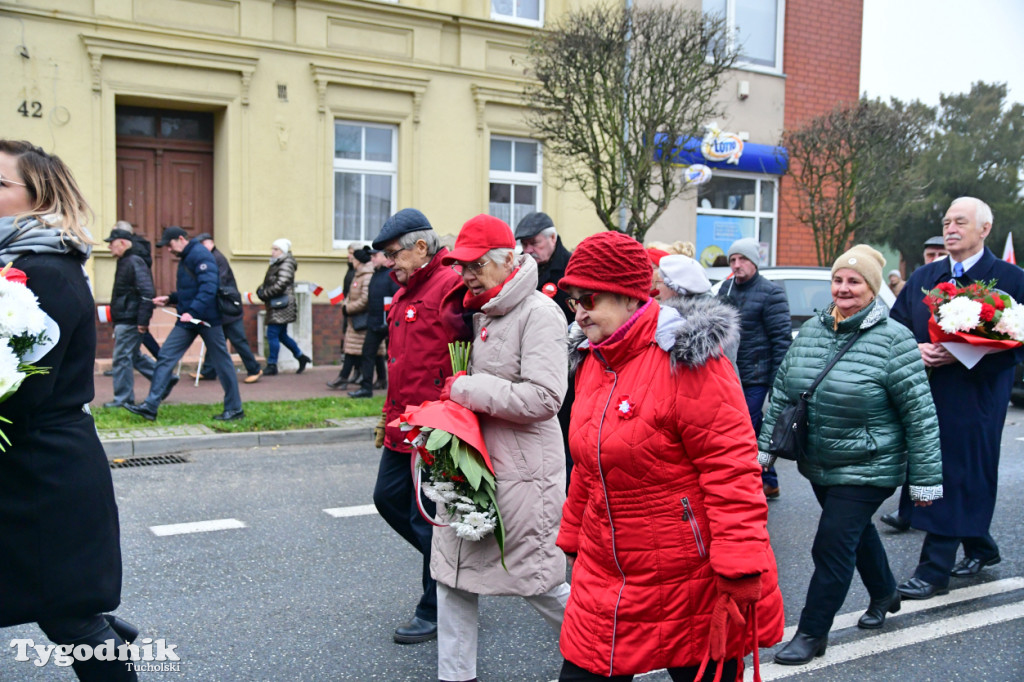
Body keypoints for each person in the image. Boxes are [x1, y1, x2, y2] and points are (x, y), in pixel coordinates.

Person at [557, 231, 783, 682]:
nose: (579, 312)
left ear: (629, 296)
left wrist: (740, 563)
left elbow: (731, 466)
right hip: (607, 568)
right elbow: (589, 463)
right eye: (573, 300)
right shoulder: (592, 359)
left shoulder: (687, 358)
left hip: (689, 575)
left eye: (590, 298)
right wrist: (574, 535)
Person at [759, 245, 943, 665]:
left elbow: (921, 415)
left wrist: (926, 479)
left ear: (872, 289)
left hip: (870, 465)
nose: (844, 288)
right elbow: (784, 395)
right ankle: (884, 592)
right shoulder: (813, 331)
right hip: (821, 461)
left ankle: (811, 633)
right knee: (854, 535)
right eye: (839, 280)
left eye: (854, 281)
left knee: (831, 544)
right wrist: (763, 452)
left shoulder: (895, 340)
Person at [0, 139, 138, 680]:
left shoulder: (43, 272)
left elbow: (25, 386)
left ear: (36, 197)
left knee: (71, 617)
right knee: (67, 612)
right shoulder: (19, 263)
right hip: (27, 463)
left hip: (43, 472)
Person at [433, 214, 571, 682]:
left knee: (537, 581)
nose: (466, 275)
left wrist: (466, 389)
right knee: (451, 577)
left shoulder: (539, 313)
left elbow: (546, 398)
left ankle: (607, 650)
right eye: (462, 266)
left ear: (509, 260)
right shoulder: (482, 308)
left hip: (522, 473)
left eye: (475, 265)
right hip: (474, 466)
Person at [891, 197, 1024, 600]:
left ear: (984, 229)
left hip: (978, 394)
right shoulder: (925, 277)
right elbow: (896, 327)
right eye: (946, 221)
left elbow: (1017, 342)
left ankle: (933, 570)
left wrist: (964, 352)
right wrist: (916, 349)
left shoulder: (1011, 278)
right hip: (926, 391)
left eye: (960, 222)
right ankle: (981, 546)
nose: (950, 228)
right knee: (935, 468)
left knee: (956, 471)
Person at [371, 208, 462, 644]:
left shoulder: (451, 286)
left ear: (420, 247)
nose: (390, 263)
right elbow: (400, 362)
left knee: (426, 519)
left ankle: (437, 605)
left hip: (434, 427)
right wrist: (388, 419)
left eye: (394, 254)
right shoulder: (407, 290)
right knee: (387, 499)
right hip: (401, 425)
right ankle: (449, 569)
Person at [124, 226, 243, 421]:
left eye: (169, 245)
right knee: (165, 357)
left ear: (181, 239)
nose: (168, 250)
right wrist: (171, 298)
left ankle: (234, 409)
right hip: (188, 319)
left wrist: (193, 311)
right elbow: (191, 290)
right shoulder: (187, 257)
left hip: (207, 320)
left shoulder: (200, 255)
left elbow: (208, 287)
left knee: (222, 363)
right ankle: (150, 406)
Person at [718, 238, 792, 499]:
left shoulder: (771, 293)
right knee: (753, 428)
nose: (737, 265)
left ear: (754, 262)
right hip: (730, 373)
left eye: (742, 260)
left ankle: (747, 484)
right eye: (733, 260)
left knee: (746, 427)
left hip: (756, 375)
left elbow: (781, 340)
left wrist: (777, 383)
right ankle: (769, 480)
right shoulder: (725, 289)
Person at [192, 233, 262, 384]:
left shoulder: (217, 259)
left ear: (208, 244)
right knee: (215, 340)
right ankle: (209, 370)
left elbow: (217, 282)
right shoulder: (212, 258)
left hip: (228, 308)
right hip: (221, 308)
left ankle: (254, 369)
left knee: (238, 340)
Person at [654, 254, 740, 374]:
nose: (657, 288)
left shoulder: (670, 327)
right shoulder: (722, 325)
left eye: (659, 282)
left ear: (673, 288)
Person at [104, 224, 157, 408]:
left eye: (112, 243)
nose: (109, 247)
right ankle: (165, 378)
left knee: (121, 359)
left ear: (123, 242)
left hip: (130, 319)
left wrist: (142, 320)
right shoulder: (127, 260)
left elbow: (147, 292)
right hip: (127, 317)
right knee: (133, 356)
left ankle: (123, 399)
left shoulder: (133, 261)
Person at [346, 247, 398, 398]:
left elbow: (396, 297)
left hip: (389, 324)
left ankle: (392, 387)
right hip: (374, 323)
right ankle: (366, 388)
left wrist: (391, 320)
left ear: (385, 256)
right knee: (367, 354)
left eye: (375, 255)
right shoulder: (376, 274)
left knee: (394, 357)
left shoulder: (391, 275)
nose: (373, 259)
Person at [256, 238, 312, 376]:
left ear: (283, 251)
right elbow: (272, 281)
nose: (273, 252)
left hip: (281, 304)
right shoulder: (279, 263)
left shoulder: (285, 263)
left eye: (276, 249)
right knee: (281, 335)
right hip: (278, 303)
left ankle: (272, 364)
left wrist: (264, 293)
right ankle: (301, 357)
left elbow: (281, 284)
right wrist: (261, 289)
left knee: (272, 334)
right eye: (273, 249)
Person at [515, 211, 573, 322]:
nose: (528, 250)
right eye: (524, 244)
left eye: (534, 243)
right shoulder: (516, 268)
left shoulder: (571, 268)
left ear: (552, 238)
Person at [338, 246, 373, 396]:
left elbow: (364, 298)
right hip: (354, 317)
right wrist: (346, 304)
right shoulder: (357, 273)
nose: (349, 258)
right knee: (357, 350)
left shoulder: (366, 275)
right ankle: (349, 377)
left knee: (362, 352)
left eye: (352, 255)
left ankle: (347, 378)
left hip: (362, 318)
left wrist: (348, 308)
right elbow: (350, 292)